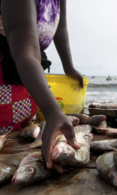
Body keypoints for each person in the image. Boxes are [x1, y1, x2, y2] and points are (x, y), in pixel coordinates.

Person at [0, 0, 83, 173]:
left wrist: (69, 68)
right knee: (5, 135)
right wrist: (53, 111)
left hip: (28, 70)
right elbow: (25, 51)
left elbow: (60, 28)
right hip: (6, 69)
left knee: (22, 134)